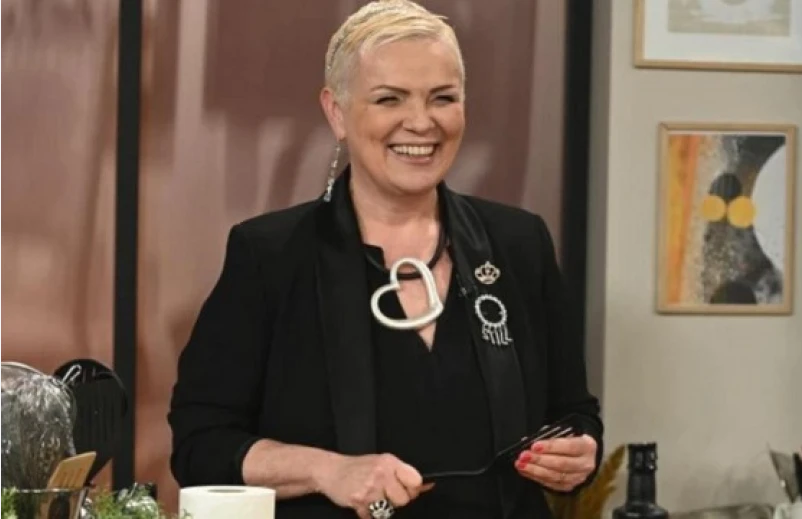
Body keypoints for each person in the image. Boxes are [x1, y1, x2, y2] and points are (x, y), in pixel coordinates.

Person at [167, 1, 604, 518]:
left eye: (443, 98)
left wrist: (578, 453)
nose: (421, 122)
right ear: (336, 112)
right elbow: (202, 443)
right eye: (389, 99)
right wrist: (327, 470)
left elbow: (574, 412)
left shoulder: (520, 243)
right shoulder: (270, 256)